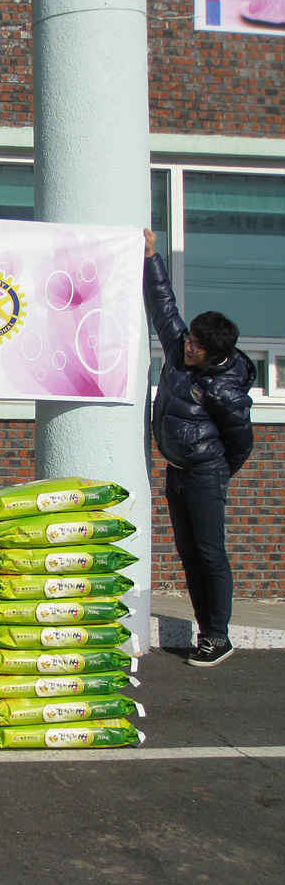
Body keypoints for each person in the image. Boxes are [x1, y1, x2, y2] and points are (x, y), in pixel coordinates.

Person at [144, 229, 255, 668]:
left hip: (206, 474)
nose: (187, 348)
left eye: (197, 348)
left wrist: (216, 471)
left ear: (214, 356)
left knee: (211, 554)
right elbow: (163, 305)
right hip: (178, 471)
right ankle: (206, 629)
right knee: (189, 555)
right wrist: (151, 257)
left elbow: (241, 443)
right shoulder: (178, 349)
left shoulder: (226, 390)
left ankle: (217, 636)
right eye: (189, 340)